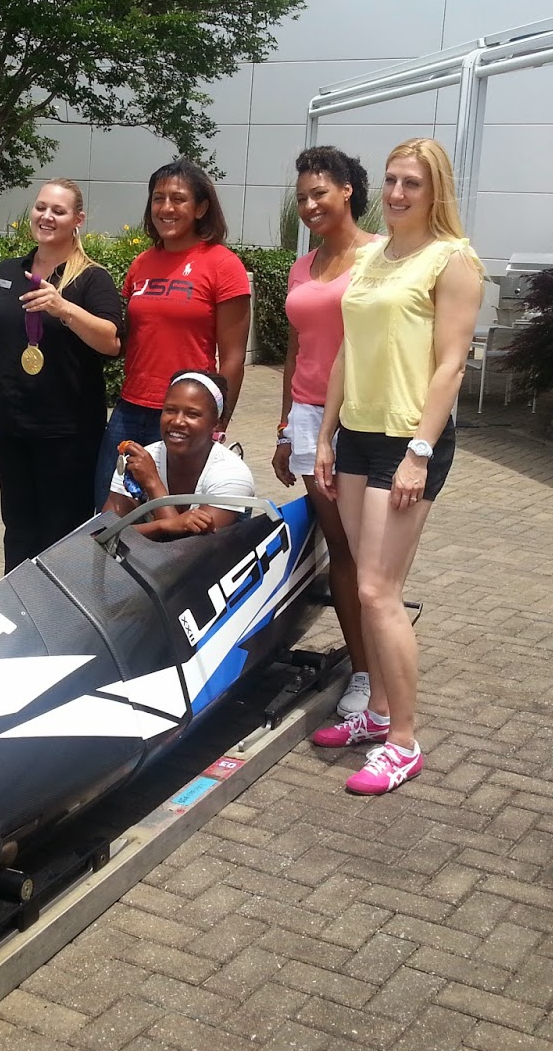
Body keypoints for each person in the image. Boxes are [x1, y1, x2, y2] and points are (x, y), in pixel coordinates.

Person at [310, 138, 483, 794]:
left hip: (409, 441)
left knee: (380, 592)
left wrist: (419, 452)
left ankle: (404, 742)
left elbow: (451, 364)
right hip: (357, 434)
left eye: (412, 182)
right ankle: (377, 714)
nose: (398, 193)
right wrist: (326, 435)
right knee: (365, 585)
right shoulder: (372, 256)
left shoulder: (453, 260)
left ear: (435, 190)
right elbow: (347, 352)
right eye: (391, 180)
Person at [0, 179, 123, 571]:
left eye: (58, 211)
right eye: (41, 207)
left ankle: (59, 607)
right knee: (18, 531)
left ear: (77, 220)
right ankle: (17, 605)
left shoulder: (91, 278)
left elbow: (111, 341)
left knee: (61, 537)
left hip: (67, 434)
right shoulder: (7, 271)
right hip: (12, 429)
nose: (46, 216)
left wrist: (62, 307)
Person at [273, 146, 380, 721]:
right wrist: (286, 427)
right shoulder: (303, 266)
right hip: (310, 417)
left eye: (319, 193)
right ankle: (363, 670)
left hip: (363, 418)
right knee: (340, 546)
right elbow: (295, 351)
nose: (310, 205)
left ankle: (384, 665)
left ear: (347, 190)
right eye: (301, 198)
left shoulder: (381, 256)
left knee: (370, 552)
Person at [93, 159, 251, 508]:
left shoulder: (223, 265)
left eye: (178, 199)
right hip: (130, 409)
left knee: (175, 517)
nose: (166, 208)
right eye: (158, 198)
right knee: (109, 516)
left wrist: (218, 421)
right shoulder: (141, 264)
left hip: (186, 415)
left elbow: (234, 356)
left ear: (201, 208)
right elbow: (127, 340)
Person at [105, 371, 255, 540]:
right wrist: (163, 525)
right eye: (170, 410)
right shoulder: (138, 462)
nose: (177, 421)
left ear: (217, 423)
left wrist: (153, 483)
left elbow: (188, 548)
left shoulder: (231, 473)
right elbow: (102, 533)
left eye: (192, 414)